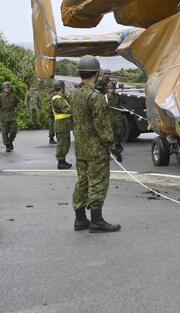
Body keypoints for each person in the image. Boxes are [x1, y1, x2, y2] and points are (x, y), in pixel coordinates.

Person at [70, 55, 120, 233]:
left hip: (81, 148)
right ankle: (97, 220)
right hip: (96, 149)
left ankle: (80, 219)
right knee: (98, 182)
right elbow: (102, 125)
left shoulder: (74, 93)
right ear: (97, 74)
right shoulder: (95, 97)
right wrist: (112, 145)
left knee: (82, 181)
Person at [51, 80, 73, 169]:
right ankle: (61, 162)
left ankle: (63, 160)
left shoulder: (60, 97)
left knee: (65, 143)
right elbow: (67, 109)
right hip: (61, 125)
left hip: (64, 125)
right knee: (62, 144)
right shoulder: (58, 99)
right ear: (62, 88)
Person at [0, 82, 19, 152]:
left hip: (12, 116)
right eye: (6, 88)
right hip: (3, 117)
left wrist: (17, 107)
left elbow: (18, 102)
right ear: (3, 89)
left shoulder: (14, 96)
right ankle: (7, 145)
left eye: (9, 88)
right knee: (4, 132)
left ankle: (10, 141)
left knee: (13, 131)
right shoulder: (0, 97)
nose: (8, 89)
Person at [104, 81, 126, 159]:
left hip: (117, 117)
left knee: (119, 132)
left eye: (113, 88)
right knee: (111, 133)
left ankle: (118, 144)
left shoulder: (117, 96)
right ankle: (112, 148)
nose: (111, 90)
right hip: (109, 117)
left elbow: (122, 104)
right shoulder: (105, 97)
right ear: (107, 89)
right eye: (110, 88)